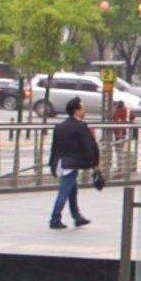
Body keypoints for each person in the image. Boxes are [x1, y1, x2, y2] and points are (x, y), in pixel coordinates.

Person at [46, 98, 99, 230]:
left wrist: (52, 163)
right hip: (71, 164)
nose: (84, 110)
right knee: (64, 192)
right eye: (82, 108)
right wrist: (93, 163)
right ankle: (55, 218)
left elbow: (54, 147)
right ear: (76, 110)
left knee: (72, 191)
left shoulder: (60, 126)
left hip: (60, 162)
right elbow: (87, 146)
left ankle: (77, 217)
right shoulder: (80, 126)